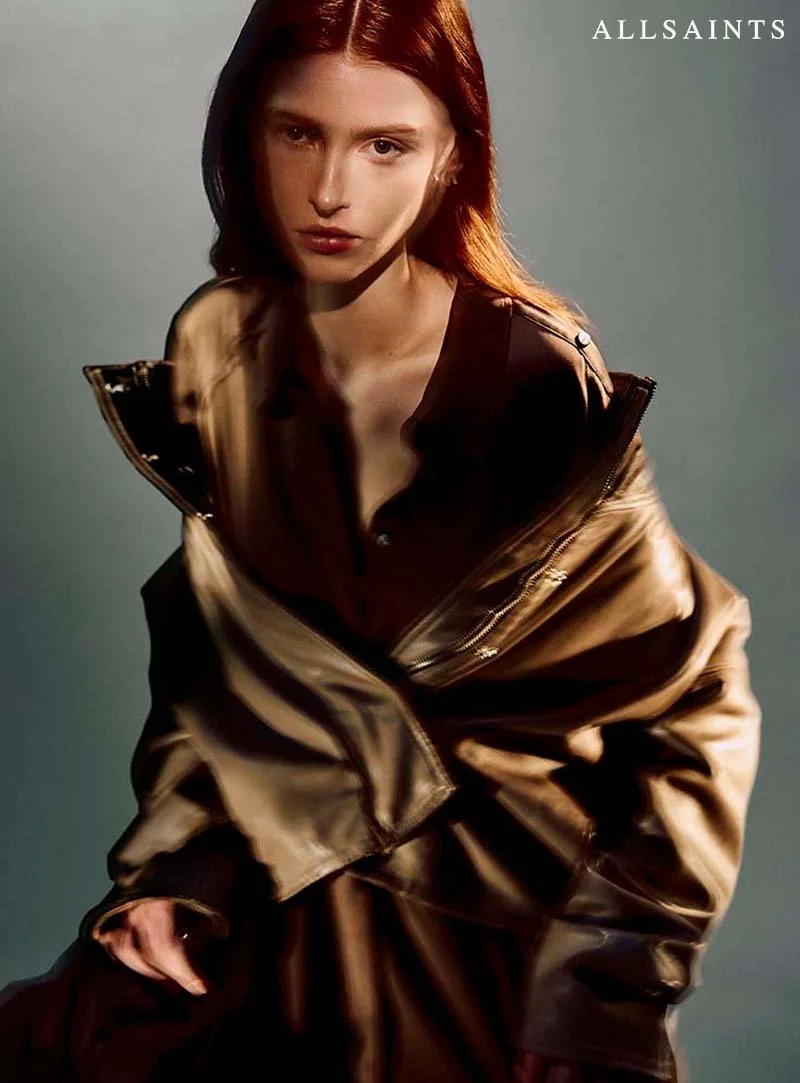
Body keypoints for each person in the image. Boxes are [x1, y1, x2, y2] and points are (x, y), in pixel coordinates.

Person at [0, 1, 761, 1082]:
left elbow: (690, 698)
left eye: (385, 146)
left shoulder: (532, 379)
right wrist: (173, 875)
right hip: (263, 903)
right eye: (297, 133)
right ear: (244, 135)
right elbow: (225, 665)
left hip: (487, 938)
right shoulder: (220, 343)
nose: (330, 191)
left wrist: (603, 994)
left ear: (453, 157)